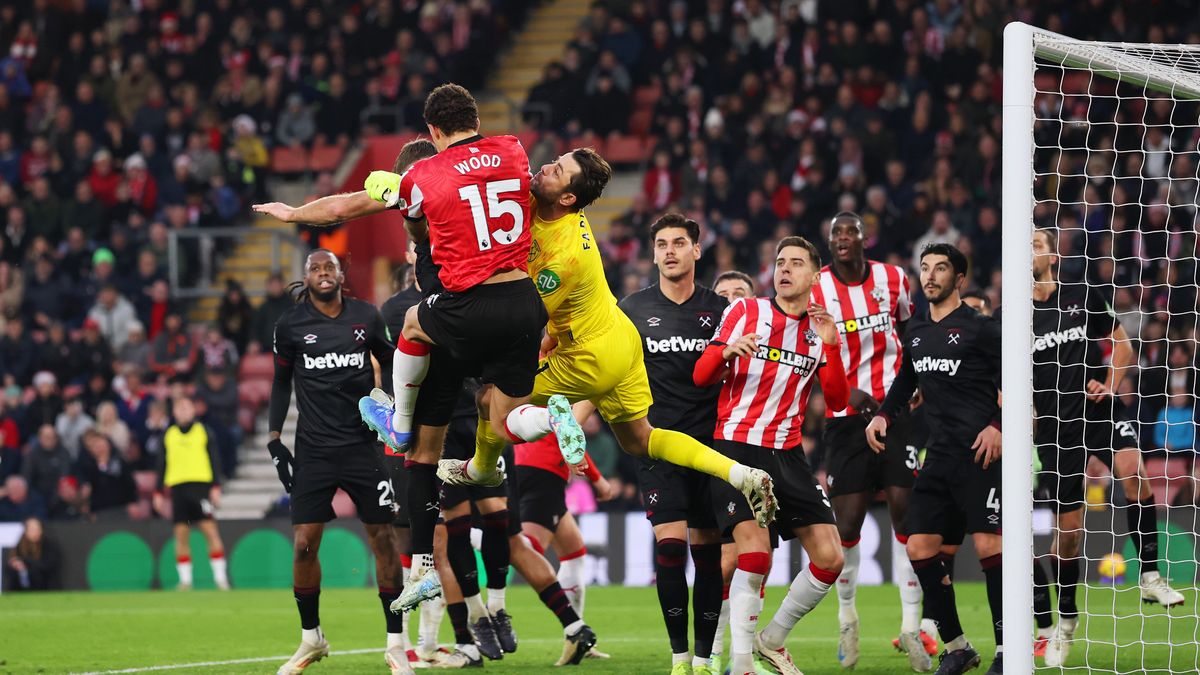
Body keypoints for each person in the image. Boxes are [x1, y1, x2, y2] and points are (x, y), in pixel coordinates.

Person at [254, 91, 775, 624]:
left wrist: (317, 208)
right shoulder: (514, 160)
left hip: (567, 345)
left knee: (474, 393)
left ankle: (414, 431)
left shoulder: (555, 247)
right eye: (551, 162)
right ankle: (738, 474)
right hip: (617, 337)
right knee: (639, 438)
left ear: (568, 198)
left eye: (557, 172)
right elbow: (496, 185)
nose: (544, 169)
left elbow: (532, 304)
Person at [256, 84, 589, 618]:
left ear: (433, 132)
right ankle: (553, 417)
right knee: (506, 420)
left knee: (411, 326)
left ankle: (401, 424)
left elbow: (347, 206)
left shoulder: (421, 176)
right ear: (476, 117)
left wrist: (295, 213)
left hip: (464, 308)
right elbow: (544, 199)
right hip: (525, 303)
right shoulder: (513, 151)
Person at [1022, 228, 1183, 667]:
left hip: (1099, 411)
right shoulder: (1013, 317)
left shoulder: (1081, 295)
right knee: (1068, 537)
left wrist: (1110, 384)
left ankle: (1149, 574)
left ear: (1051, 255)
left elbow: (1125, 347)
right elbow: (1002, 382)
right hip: (1056, 429)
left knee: (1134, 472)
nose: (1029, 249)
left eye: (1036, 243)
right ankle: (1066, 622)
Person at [692, 236, 850, 675]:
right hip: (735, 448)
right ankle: (741, 664)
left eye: (796, 263)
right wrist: (726, 351)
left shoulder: (819, 330)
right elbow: (701, 375)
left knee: (831, 558)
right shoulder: (746, 311)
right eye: (780, 262)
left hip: (788, 454)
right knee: (755, 553)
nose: (785, 269)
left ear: (814, 276)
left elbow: (836, 399)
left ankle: (772, 640)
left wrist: (832, 345)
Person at [266, 248, 409, 675]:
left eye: (330, 267)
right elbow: (279, 382)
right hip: (313, 449)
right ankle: (312, 638)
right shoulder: (290, 325)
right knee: (305, 542)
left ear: (342, 274)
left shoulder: (366, 316)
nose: (323, 273)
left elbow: (390, 357)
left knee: (383, 538)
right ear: (305, 277)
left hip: (363, 445)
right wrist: (274, 439)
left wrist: (396, 408)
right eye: (315, 268)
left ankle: (396, 644)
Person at [866, 243, 1004, 675]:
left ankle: (1006, 650)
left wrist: (998, 424)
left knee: (989, 548)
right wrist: (884, 416)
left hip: (981, 455)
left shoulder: (982, 329)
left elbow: (1022, 376)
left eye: (940, 268)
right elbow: (906, 379)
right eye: (924, 268)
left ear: (959, 279)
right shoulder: (918, 332)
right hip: (939, 456)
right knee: (920, 547)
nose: (929, 275)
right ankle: (958, 646)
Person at [809, 212, 928, 669]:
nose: (842, 238)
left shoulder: (894, 279)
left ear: (864, 239)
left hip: (894, 412)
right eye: (835, 232)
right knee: (849, 526)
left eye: (850, 232)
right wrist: (837, 390)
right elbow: (807, 343)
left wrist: (914, 382)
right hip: (844, 419)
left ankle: (911, 627)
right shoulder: (817, 287)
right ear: (830, 241)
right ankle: (847, 619)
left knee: (905, 512)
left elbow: (910, 332)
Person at [618, 213, 730, 675]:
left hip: (710, 447)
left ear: (696, 251)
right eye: (661, 243)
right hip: (657, 446)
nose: (669, 250)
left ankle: (704, 658)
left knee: (708, 555)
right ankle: (679, 658)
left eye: (679, 242)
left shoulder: (721, 309)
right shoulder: (631, 310)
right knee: (669, 549)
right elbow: (609, 371)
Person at [152, 396, 229, 591]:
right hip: (178, 489)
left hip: (201, 487)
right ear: (174, 412)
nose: (184, 411)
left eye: (187, 407)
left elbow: (215, 459)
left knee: (210, 531)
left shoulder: (203, 431)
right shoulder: (168, 435)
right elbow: (161, 464)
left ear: (193, 410)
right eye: (180, 408)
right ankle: (185, 581)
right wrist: (158, 491)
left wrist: (216, 487)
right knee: (181, 534)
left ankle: (220, 579)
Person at [3, 517, 60, 590]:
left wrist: (26, 561)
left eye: (37, 529)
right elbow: (10, 564)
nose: (35, 532)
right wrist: (16, 564)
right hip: (21, 582)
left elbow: (47, 566)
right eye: (32, 529)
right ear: (26, 531)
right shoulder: (20, 545)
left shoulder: (48, 545)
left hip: (44, 583)